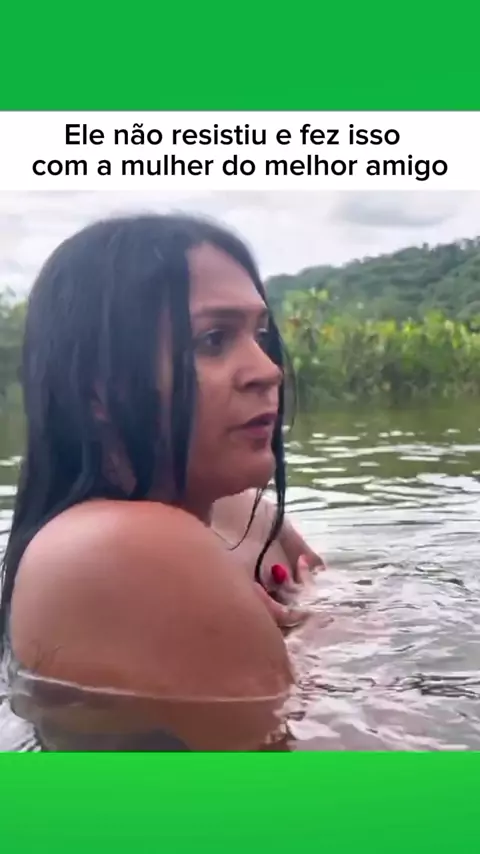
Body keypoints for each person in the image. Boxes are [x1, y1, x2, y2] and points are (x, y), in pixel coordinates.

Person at [0, 214, 324, 751]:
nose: (268, 370)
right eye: (214, 340)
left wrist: (300, 625)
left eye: (260, 335)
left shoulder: (246, 515)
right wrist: (309, 633)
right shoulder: (116, 547)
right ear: (98, 388)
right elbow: (301, 774)